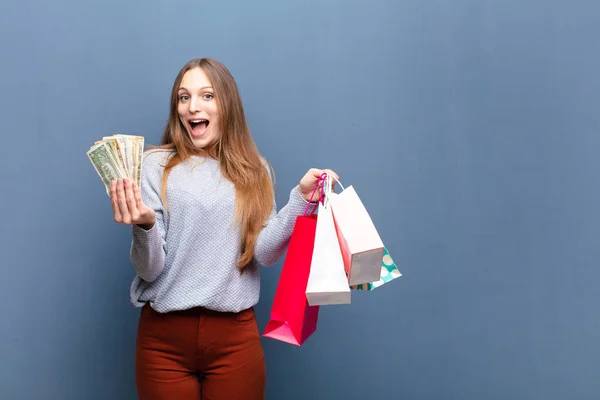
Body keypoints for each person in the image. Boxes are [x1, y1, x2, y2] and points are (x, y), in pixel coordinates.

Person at [109, 57, 339, 400]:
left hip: (234, 339)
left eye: (207, 96)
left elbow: (263, 252)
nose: (192, 107)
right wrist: (145, 226)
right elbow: (150, 269)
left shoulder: (254, 171)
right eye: (183, 97)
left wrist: (299, 200)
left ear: (227, 104)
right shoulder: (155, 166)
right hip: (164, 341)